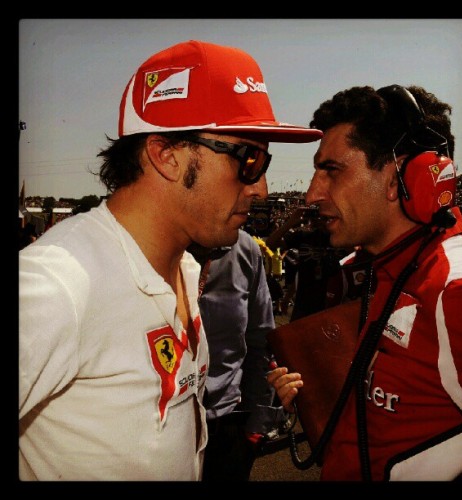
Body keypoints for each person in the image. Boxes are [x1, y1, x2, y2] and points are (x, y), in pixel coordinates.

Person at [18, 40, 322, 481]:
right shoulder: (55, 283)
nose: (260, 189)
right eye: (249, 158)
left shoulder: (185, 269)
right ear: (166, 156)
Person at [268, 84, 462, 481]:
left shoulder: (459, 292)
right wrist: (322, 399)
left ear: (401, 176)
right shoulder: (388, 270)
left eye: (331, 170)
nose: (312, 194)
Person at [189, 229, 287, 481]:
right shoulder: (144, 243)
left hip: (227, 422)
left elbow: (261, 340)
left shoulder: (245, 249)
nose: (257, 193)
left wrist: (256, 425)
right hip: (159, 427)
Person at [266, 206, 342, 321]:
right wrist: (291, 222)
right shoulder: (304, 236)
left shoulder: (338, 238)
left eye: (321, 216)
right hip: (304, 303)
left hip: (331, 302)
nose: (317, 219)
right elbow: (271, 243)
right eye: (315, 216)